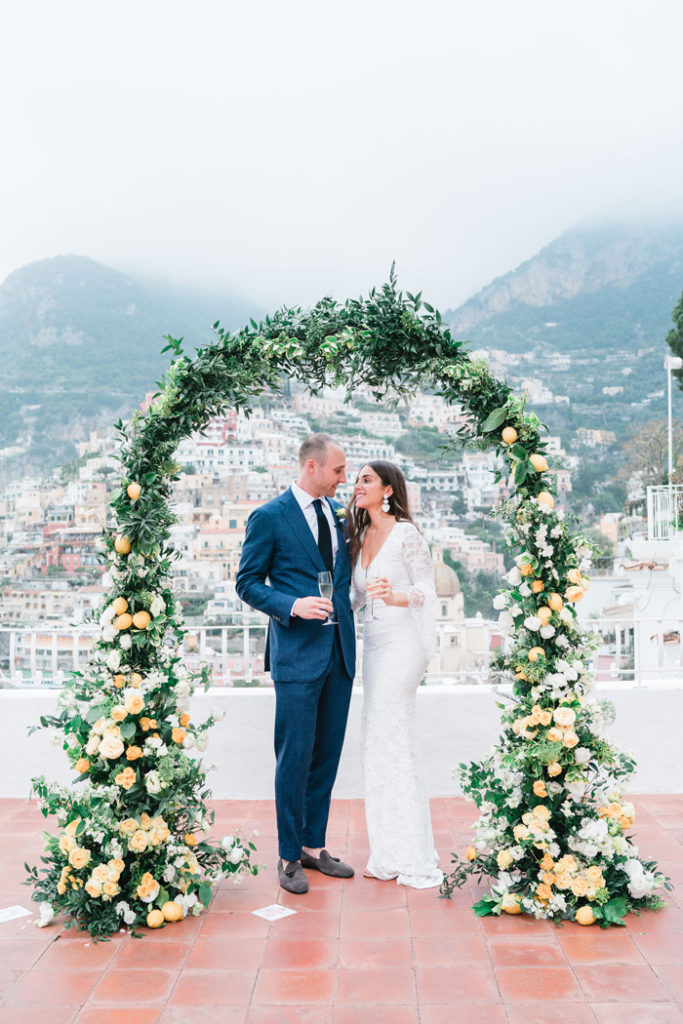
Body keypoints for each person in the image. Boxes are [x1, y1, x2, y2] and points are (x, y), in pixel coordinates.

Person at [236, 434, 356, 894]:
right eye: (338, 470)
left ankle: (313, 845)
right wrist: (291, 605)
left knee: (325, 756)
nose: (344, 478)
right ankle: (288, 857)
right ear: (311, 467)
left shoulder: (337, 513)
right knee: (294, 758)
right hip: (296, 656)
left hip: (340, 652)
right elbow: (247, 583)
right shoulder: (269, 517)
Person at [349, 461, 444, 888]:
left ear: (388, 489)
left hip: (403, 645)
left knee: (394, 736)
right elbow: (354, 596)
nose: (357, 485)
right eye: (355, 478)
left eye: (366, 479)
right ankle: (387, 851)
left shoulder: (406, 533)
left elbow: (429, 591)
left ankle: (413, 854)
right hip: (373, 647)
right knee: (376, 740)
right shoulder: (358, 535)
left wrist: (397, 595)